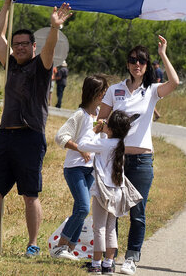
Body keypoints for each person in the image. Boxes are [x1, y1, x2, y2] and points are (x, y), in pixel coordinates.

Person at [0, 0, 72, 257]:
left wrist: (54, 28)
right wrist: (7, 3)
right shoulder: (10, 65)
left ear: (34, 47)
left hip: (30, 136)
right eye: (16, 44)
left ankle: (32, 244)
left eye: (24, 44)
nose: (19, 48)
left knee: (30, 194)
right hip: (5, 136)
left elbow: (50, 48)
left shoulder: (42, 66)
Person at [97, 35, 179, 275]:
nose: (137, 64)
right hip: (117, 158)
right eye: (133, 60)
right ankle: (109, 258)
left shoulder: (151, 91)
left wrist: (163, 54)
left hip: (142, 160)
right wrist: (106, 134)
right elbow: (100, 120)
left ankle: (132, 258)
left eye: (142, 61)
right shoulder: (115, 90)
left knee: (137, 211)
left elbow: (174, 82)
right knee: (113, 209)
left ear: (147, 65)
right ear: (127, 64)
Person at [50, 74, 109, 261]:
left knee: (81, 209)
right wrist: (80, 149)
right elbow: (61, 137)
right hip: (75, 168)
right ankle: (60, 247)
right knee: (83, 207)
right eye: (104, 92)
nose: (106, 95)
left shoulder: (100, 115)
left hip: (91, 169)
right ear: (96, 93)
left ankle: (69, 248)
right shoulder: (80, 115)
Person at [78, 110, 143, 275]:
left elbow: (82, 145)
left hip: (103, 192)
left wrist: (93, 131)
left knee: (99, 227)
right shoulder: (119, 143)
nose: (104, 123)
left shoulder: (105, 144)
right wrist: (103, 132)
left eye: (107, 123)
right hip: (117, 192)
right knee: (111, 227)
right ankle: (108, 263)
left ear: (111, 128)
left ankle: (96, 263)